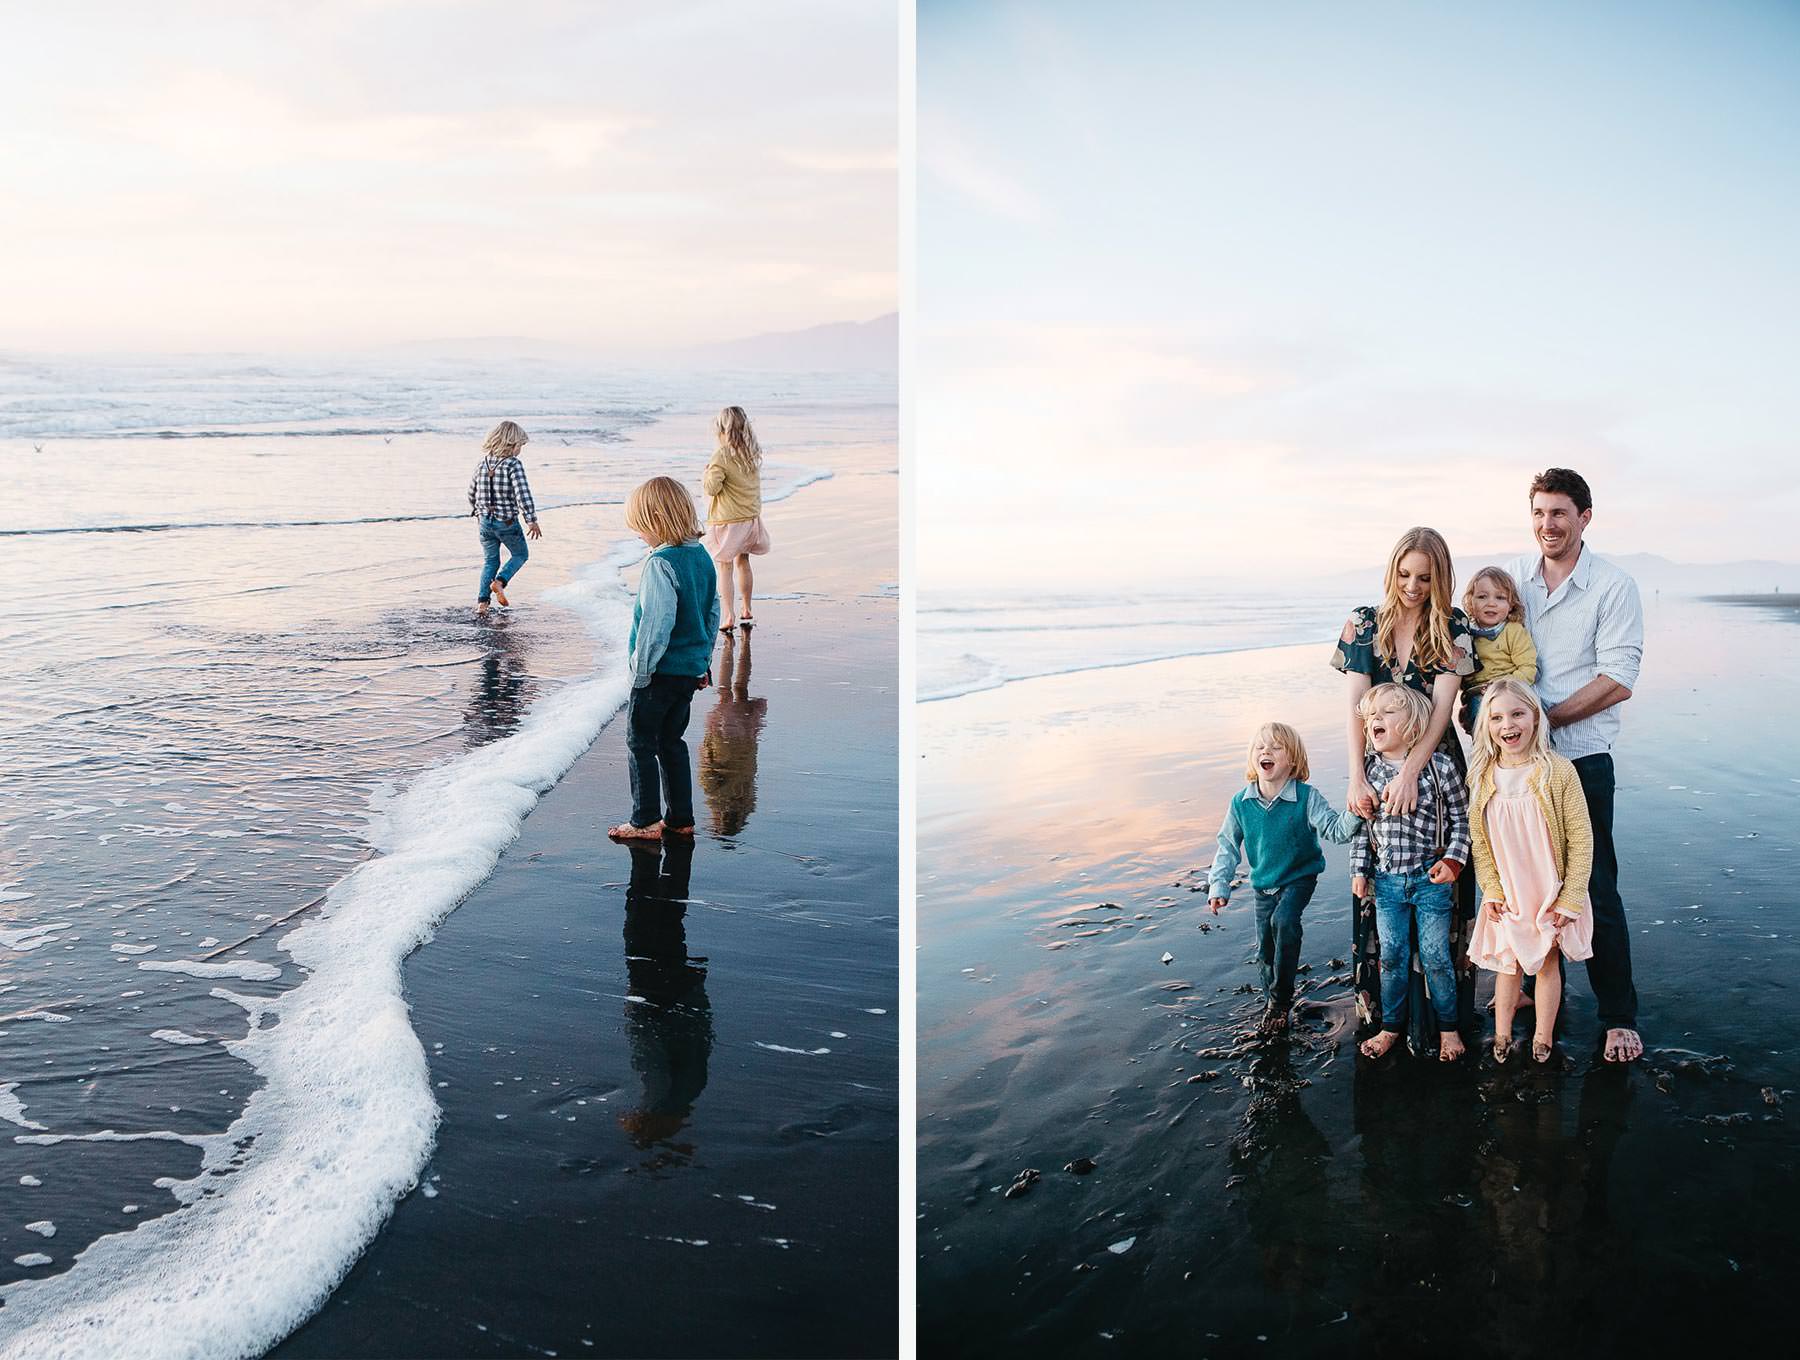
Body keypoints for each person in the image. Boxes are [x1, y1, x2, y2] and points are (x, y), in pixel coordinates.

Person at [1502, 468, 1645, 1063]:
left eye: (1558, 513)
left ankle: (1617, 1016)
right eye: (1538, 513)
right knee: (1523, 880)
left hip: (1583, 759)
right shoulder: (1514, 580)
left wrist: (1544, 721)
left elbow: (1618, 679)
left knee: (1593, 884)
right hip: (1515, 764)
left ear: (1585, 517)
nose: (1547, 526)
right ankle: (1536, 987)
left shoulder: (1612, 585)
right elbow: (1469, 632)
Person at [1331, 526, 1479, 1049]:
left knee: (1441, 895)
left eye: (1425, 576)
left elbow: (1441, 712)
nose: (1413, 586)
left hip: (1436, 765)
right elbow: (1355, 710)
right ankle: (1387, 1022)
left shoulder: (1453, 627)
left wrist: (1413, 772)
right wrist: (1355, 776)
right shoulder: (1363, 624)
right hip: (1375, 761)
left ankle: (1446, 1026)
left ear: (1440, 577)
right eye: (1404, 573)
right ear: (1392, 570)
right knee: (1380, 897)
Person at [1465, 679, 1595, 1063]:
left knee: (1546, 961)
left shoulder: (1558, 772)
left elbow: (1582, 840)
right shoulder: (1483, 775)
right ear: (1486, 726)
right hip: (1508, 889)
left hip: (1547, 887)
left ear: (1536, 719)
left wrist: (1570, 898)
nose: (1509, 725)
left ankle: (1543, 1037)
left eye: (1518, 713)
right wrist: (1490, 889)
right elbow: (1480, 842)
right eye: (1497, 717)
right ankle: (1502, 1035)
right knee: (1507, 962)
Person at [1206, 722, 1364, 1034]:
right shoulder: (1241, 803)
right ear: (1252, 759)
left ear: (1292, 760)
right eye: (1260, 747)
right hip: (1264, 884)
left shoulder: (1306, 797)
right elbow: (1227, 846)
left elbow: (1335, 830)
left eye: (1276, 747)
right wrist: (1219, 885)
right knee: (1265, 951)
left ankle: (1280, 999)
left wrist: (1357, 811)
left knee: (1284, 921)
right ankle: (1272, 1004)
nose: (1266, 751)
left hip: (1299, 878)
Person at [1350, 683, 1471, 1061]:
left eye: (1387, 713)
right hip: (1386, 882)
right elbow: (1360, 827)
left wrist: (1453, 860)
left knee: (1436, 956)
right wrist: (1360, 870)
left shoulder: (1441, 768)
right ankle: (1390, 1027)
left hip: (1429, 879)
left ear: (1415, 724)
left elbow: (1463, 821)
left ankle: (1449, 1029)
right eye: (1371, 715)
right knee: (1392, 956)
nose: (1375, 720)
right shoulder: (1368, 772)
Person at [608, 477, 719, 842]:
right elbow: (711, 613)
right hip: (687, 672)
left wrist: (640, 674)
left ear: (657, 519)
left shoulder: (661, 564)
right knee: (672, 741)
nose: (640, 536)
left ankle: (645, 821)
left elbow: (656, 624)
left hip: (658, 674)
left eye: (640, 528)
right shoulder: (702, 558)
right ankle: (680, 818)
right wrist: (702, 662)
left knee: (640, 744)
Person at [701, 405, 773, 634]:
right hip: (749, 518)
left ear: (721, 430)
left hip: (728, 521)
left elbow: (712, 488)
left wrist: (706, 473)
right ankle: (747, 608)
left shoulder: (721, 456)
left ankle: (728, 614)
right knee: (744, 562)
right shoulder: (750, 452)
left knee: (724, 567)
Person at [467, 420, 543, 616]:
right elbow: (522, 494)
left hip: (484, 522)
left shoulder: (481, 464)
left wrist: (477, 511)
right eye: (520, 446)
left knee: (490, 561)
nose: (520, 450)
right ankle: (500, 582)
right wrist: (531, 520)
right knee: (520, 555)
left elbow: (471, 492)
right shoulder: (513, 464)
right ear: (512, 444)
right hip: (507, 522)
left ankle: (482, 604)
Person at [1459, 566, 1537, 735]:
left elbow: (1528, 669)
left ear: (1511, 605)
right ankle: (1485, 757)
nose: (1491, 603)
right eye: (1482, 597)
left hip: (1511, 691)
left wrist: (1502, 685)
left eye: (1500, 597)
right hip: (1478, 695)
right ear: (1470, 602)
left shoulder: (1513, 631)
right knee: (1477, 718)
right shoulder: (1466, 634)